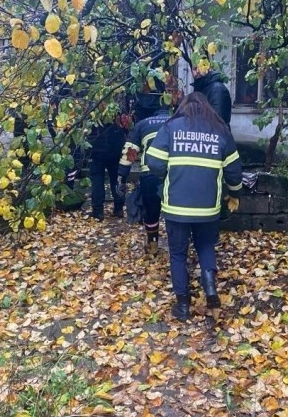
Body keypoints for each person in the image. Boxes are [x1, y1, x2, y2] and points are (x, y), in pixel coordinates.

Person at [145, 92, 242, 321]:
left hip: (176, 207)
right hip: (208, 208)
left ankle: (183, 305)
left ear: (183, 107)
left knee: (178, 254)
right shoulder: (220, 129)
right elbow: (234, 171)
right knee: (206, 246)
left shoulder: (171, 128)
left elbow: (154, 162)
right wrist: (235, 194)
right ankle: (210, 289)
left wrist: (166, 174)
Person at [116, 99, 171, 254]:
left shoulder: (142, 124)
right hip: (174, 174)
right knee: (175, 210)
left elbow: (130, 152)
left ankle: (153, 244)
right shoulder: (178, 122)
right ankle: (177, 243)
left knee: (151, 211)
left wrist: (122, 175)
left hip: (149, 174)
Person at [88, 119, 126, 220]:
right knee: (116, 178)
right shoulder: (117, 108)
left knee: (97, 179)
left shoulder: (91, 109)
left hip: (96, 147)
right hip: (115, 146)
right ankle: (118, 208)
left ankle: (98, 211)